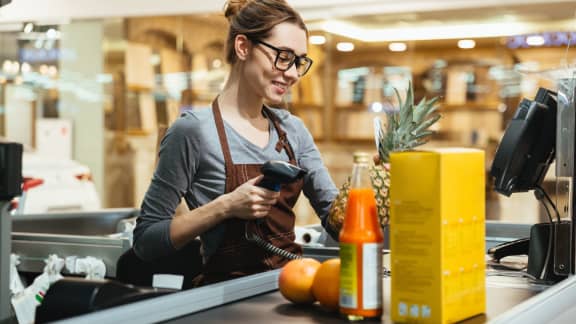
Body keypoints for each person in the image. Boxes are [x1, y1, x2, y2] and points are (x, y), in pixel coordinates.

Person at [132, 0, 338, 287]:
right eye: (283, 56)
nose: (292, 73)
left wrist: (375, 200)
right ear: (243, 47)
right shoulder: (193, 131)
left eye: (299, 61)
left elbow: (335, 220)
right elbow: (146, 241)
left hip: (291, 289)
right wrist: (226, 206)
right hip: (224, 300)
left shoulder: (293, 130)